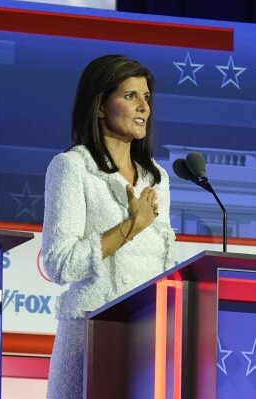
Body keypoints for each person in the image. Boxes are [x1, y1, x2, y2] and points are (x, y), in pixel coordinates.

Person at [42, 54, 175, 399]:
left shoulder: (156, 178)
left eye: (146, 98)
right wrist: (130, 227)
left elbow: (162, 265)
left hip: (148, 342)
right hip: (91, 336)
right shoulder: (72, 168)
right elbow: (59, 264)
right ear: (100, 106)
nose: (143, 107)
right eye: (130, 96)